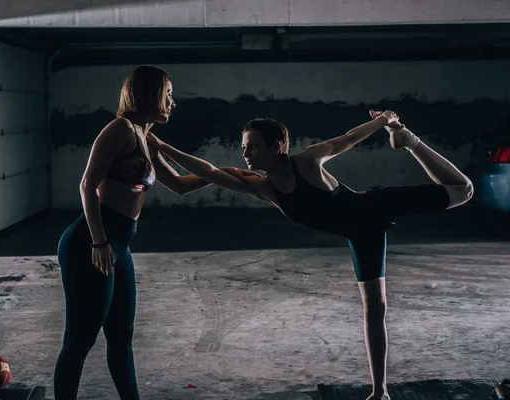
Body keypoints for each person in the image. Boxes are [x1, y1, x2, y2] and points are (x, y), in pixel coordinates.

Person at [146, 110, 473, 400]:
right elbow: (209, 171)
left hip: (373, 207)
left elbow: (348, 138)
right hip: (360, 235)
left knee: (463, 190)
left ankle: (410, 140)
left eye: (254, 146)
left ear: (276, 147)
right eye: (244, 146)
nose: (246, 153)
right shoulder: (264, 189)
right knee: (375, 308)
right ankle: (380, 391)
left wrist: (384, 121)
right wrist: (161, 148)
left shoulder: (307, 161)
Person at [53, 65, 256, 400]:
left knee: (122, 338)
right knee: (80, 340)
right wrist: (98, 241)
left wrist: (222, 173)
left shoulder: (146, 139)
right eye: (168, 94)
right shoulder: (119, 130)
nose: (173, 102)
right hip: (91, 243)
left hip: (120, 246)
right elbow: (87, 184)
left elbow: (177, 185)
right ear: (150, 94)